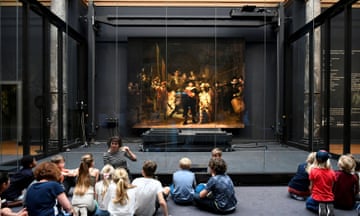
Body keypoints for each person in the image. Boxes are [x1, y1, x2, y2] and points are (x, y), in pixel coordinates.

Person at [305, 150, 336, 216]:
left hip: (317, 197)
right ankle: (327, 207)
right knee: (326, 201)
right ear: (327, 160)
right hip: (329, 197)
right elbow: (332, 186)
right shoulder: (332, 172)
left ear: (316, 160)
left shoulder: (313, 171)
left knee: (308, 203)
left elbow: (311, 186)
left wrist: (311, 193)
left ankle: (319, 208)